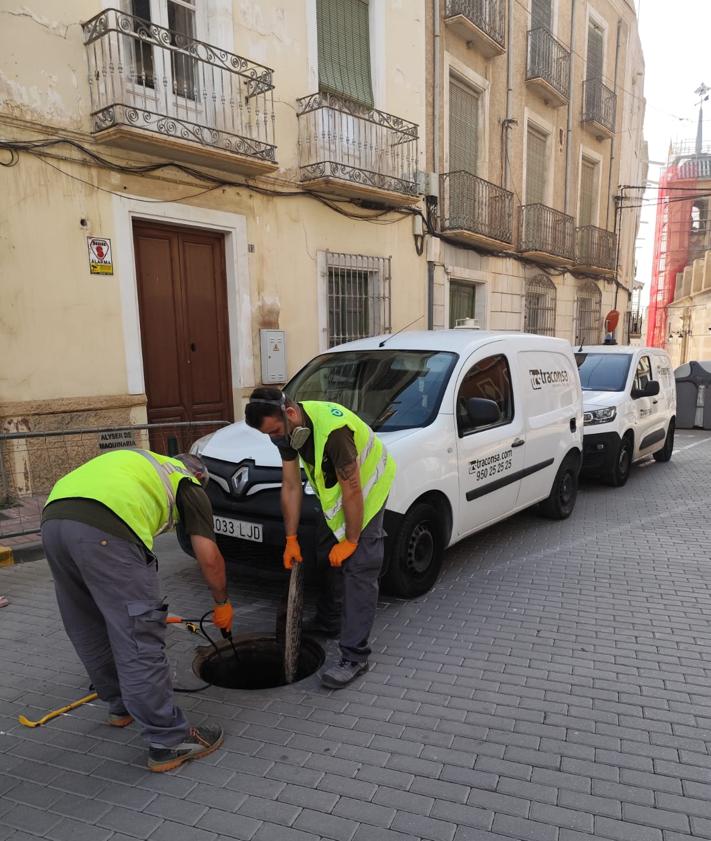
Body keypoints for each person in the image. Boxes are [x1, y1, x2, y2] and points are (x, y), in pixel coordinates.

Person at [40, 448, 233, 772]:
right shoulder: (187, 482)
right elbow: (209, 555)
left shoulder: (143, 462)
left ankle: (120, 706)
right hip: (105, 531)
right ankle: (169, 741)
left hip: (53, 522)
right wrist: (221, 602)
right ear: (199, 475)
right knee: (139, 634)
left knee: (87, 622)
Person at [245, 388, 395, 689]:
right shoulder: (287, 431)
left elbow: (353, 488)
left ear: (289, 413)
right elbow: (290, 485)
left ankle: (355, 656)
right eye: (268, 434)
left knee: (359, 568)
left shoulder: (334, 432)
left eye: (274, 432)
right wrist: (290, 539)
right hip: (338, 495)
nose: (274, 438)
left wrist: (351, 541)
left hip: (368, 488)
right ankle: (330, 620)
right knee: (325, 550)